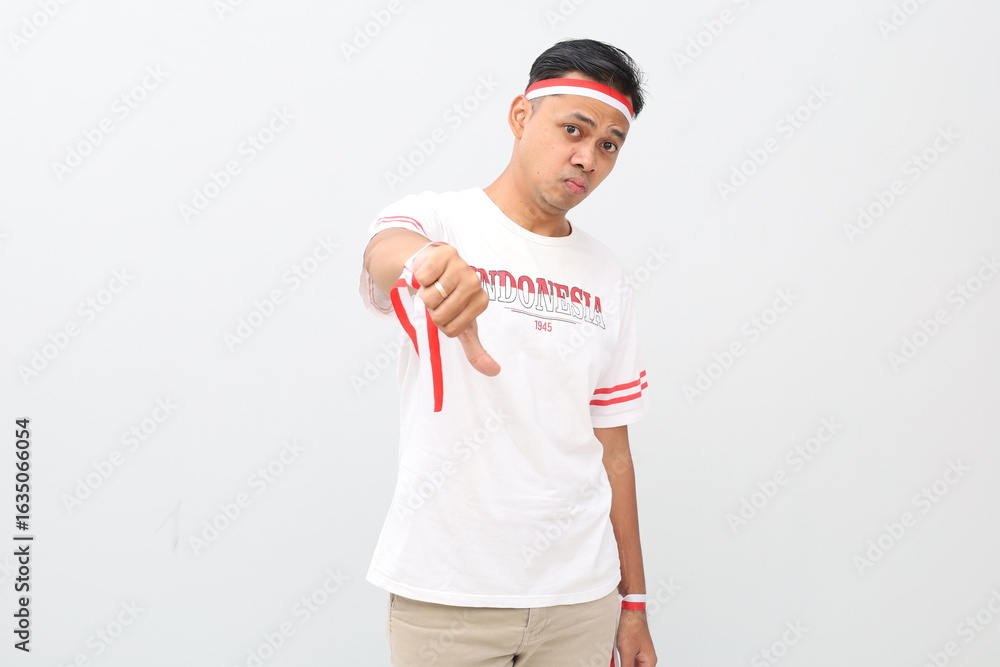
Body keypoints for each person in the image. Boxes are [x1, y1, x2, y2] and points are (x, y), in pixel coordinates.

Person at [359, 38, 657, 667]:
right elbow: (387, 252)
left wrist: (633, 602)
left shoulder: (608, 274)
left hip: (580, 600)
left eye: (609, 145)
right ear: (522, 116)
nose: (588, 158)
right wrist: (429, 264)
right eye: (573, 129)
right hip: (449, 595)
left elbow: (614, 451)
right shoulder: (438, 220)